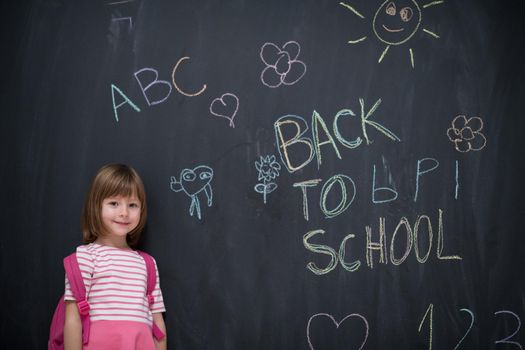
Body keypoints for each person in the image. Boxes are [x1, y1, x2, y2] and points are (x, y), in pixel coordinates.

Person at [63, 164, 167, 350]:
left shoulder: (147, 263)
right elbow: (72, 319)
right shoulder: (86, 257)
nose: (124, 212)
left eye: (132, 205)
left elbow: (157, 320)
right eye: (114, 203)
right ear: (96, 206)